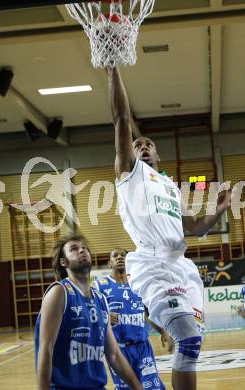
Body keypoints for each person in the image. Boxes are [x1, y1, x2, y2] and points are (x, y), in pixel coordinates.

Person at [108, 66, 231, 390]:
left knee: (191, 348)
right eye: (138, 145)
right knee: (187, 339)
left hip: (181, 266)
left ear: (157, 154)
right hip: (152, 263)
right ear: (129, 155)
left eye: (148, 144)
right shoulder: (129, 173)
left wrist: (217, 212)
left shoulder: (170, 187)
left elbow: (196, 227)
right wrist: (113, 68)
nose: (143, 147)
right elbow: (121, 117)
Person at [35, 234, 143, 390]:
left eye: (84, 248)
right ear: (63, 262)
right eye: (74, 249)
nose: (82, 251)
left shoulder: (100, 298)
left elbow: (114, 355)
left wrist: (137, 387)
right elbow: (46, 349)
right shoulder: (60, 292)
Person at [93, 247, 169, 390]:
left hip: (142, 347)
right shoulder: (100, 286)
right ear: (110, 263)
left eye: (123, 255)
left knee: (152, 386)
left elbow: (146, 314)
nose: (120, 258)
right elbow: (89, 313)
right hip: (117, 350)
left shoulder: (139, 284)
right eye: (115, 256)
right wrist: (103, 317)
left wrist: (163, 332)